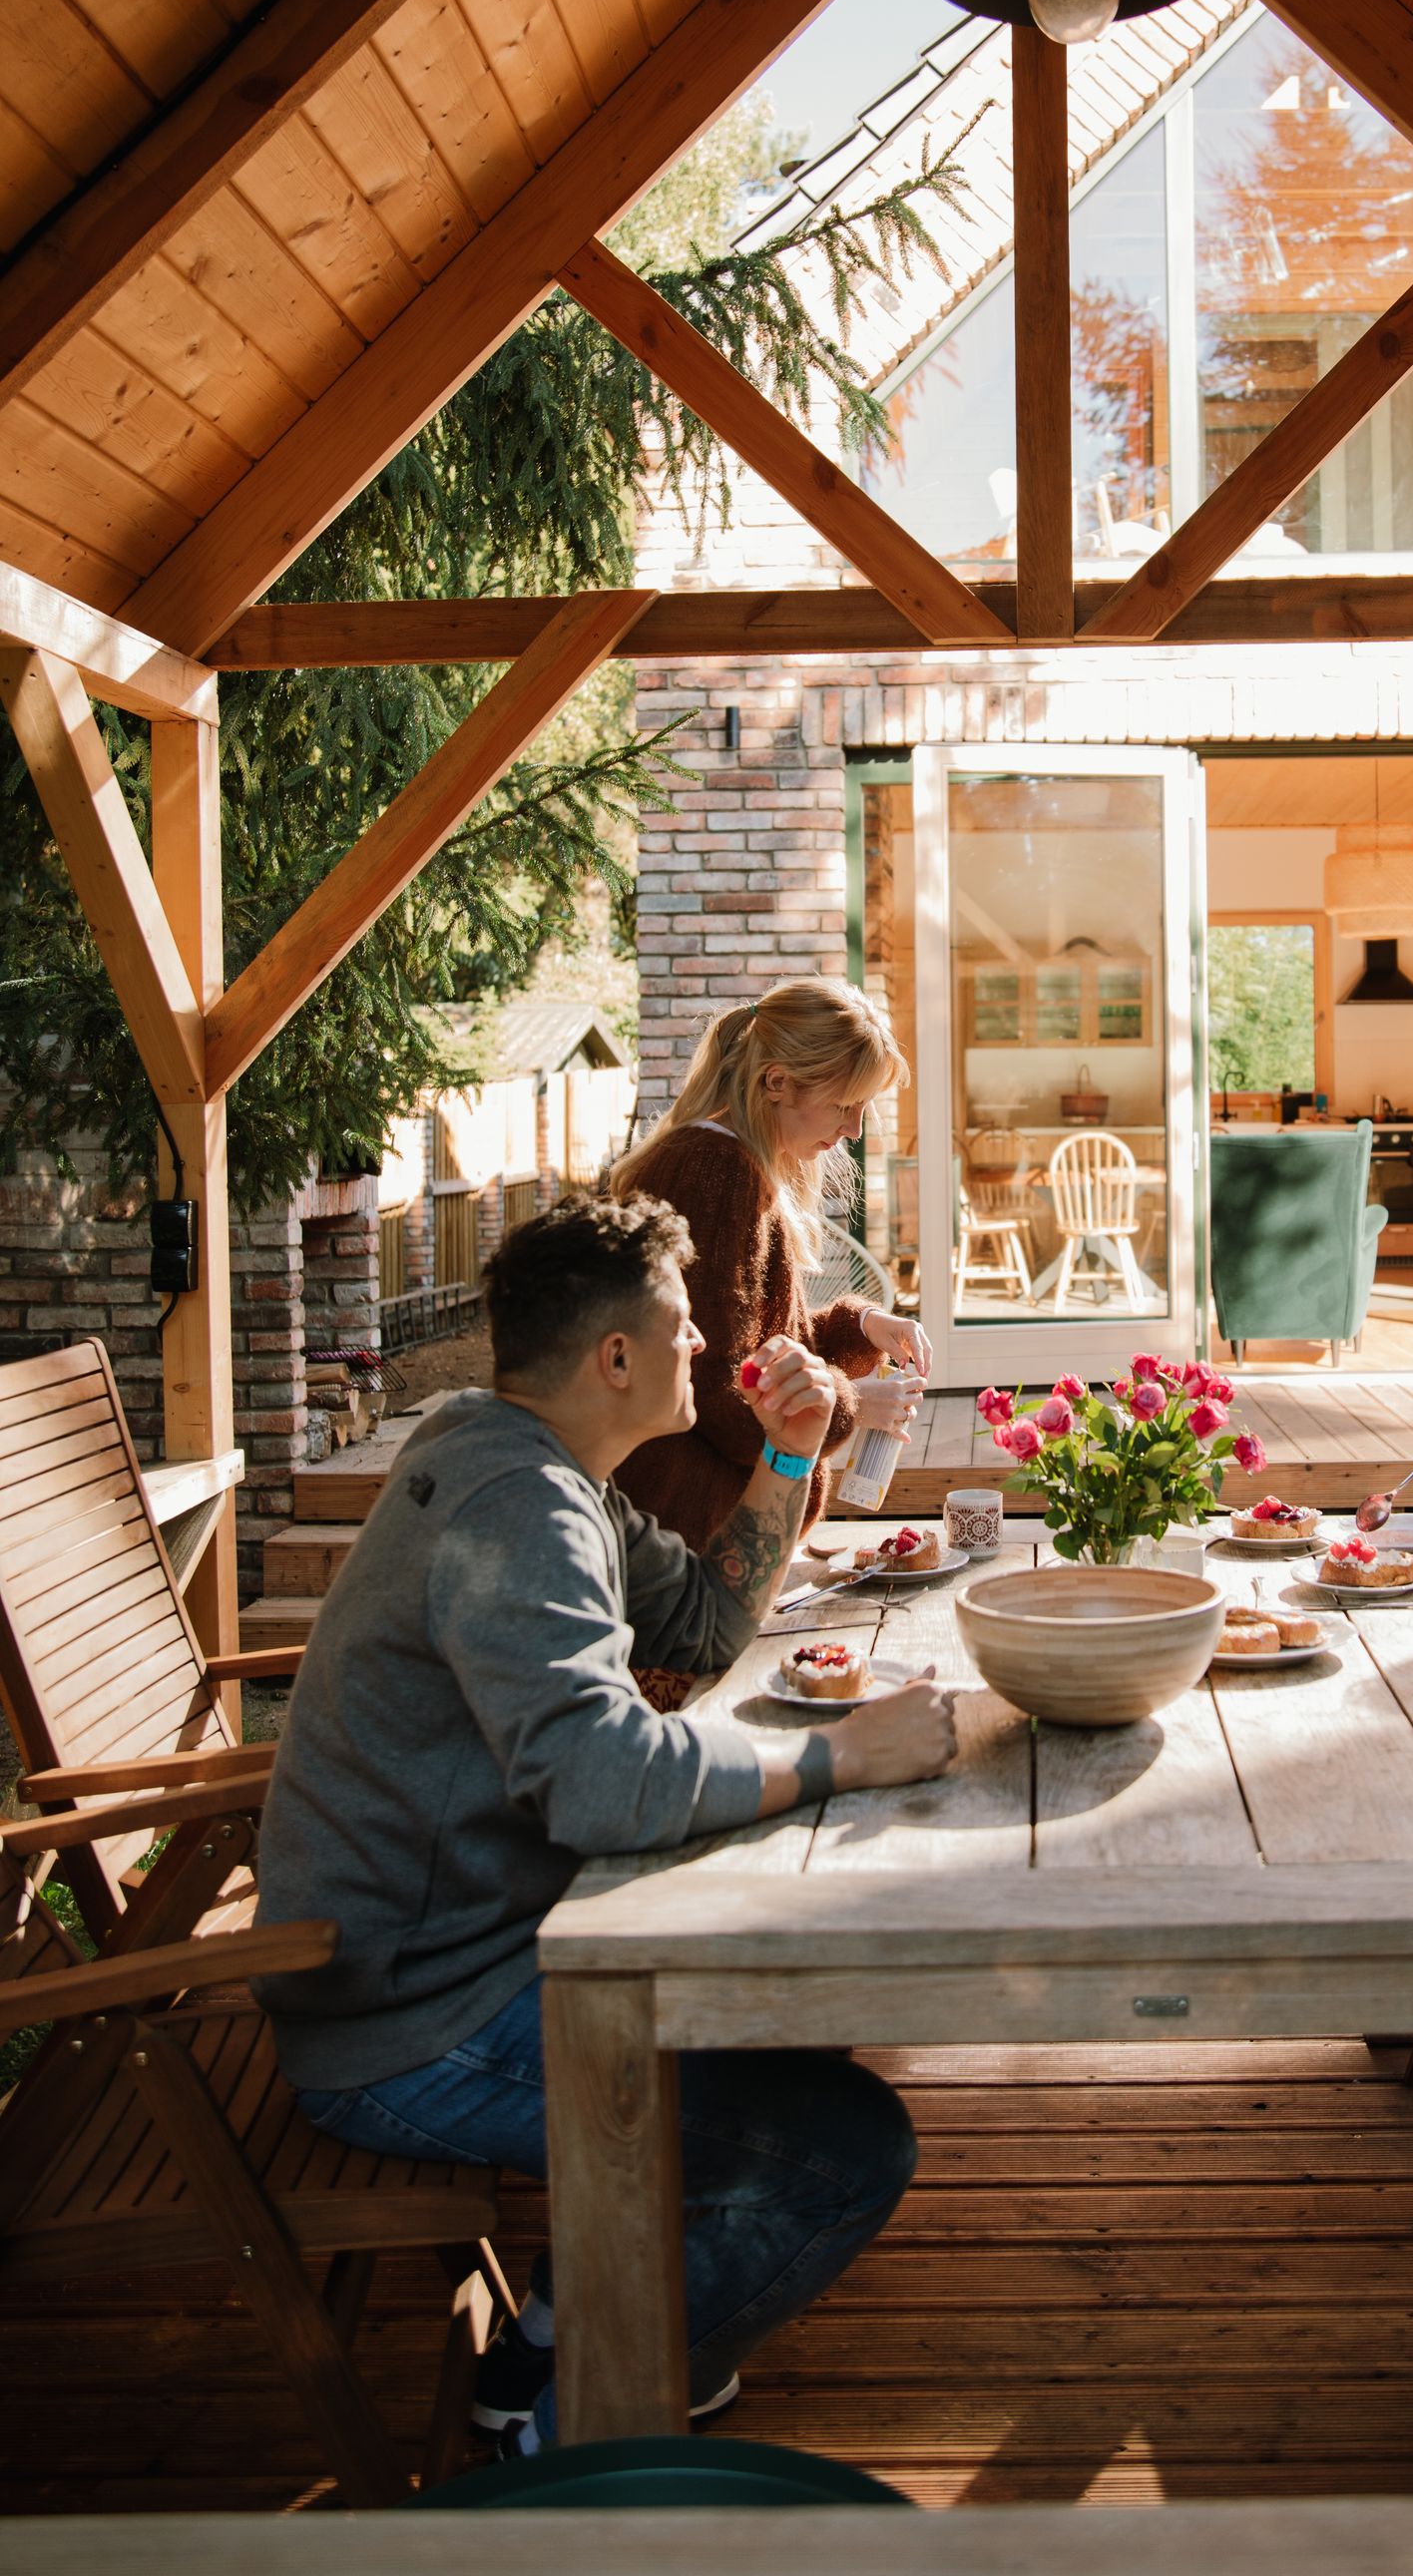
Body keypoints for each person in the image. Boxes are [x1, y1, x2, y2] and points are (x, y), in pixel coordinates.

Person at [251, 1193, 957, 2456]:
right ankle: (575, 2442)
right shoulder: (517, 1507)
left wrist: (786, 1456)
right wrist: (839, 1755)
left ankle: (552, 2339)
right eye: (682, 1327)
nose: (703, 1345)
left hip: (479, 1947)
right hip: (414, 2022)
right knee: (842, 2152)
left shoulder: (534, 1463)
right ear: (614, 1358)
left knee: (800, 2029)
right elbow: (601, 1783)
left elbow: (703, 1625)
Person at [611, 979, 930, 1548]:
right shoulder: (718, 1172)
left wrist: (859, 1326)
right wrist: (853, 1405)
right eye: (844, 1105)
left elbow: (763, 1343)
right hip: (692, 1540)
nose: (854, 1130)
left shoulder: (722, 1161)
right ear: (777, 1082)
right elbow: (716, 1387)